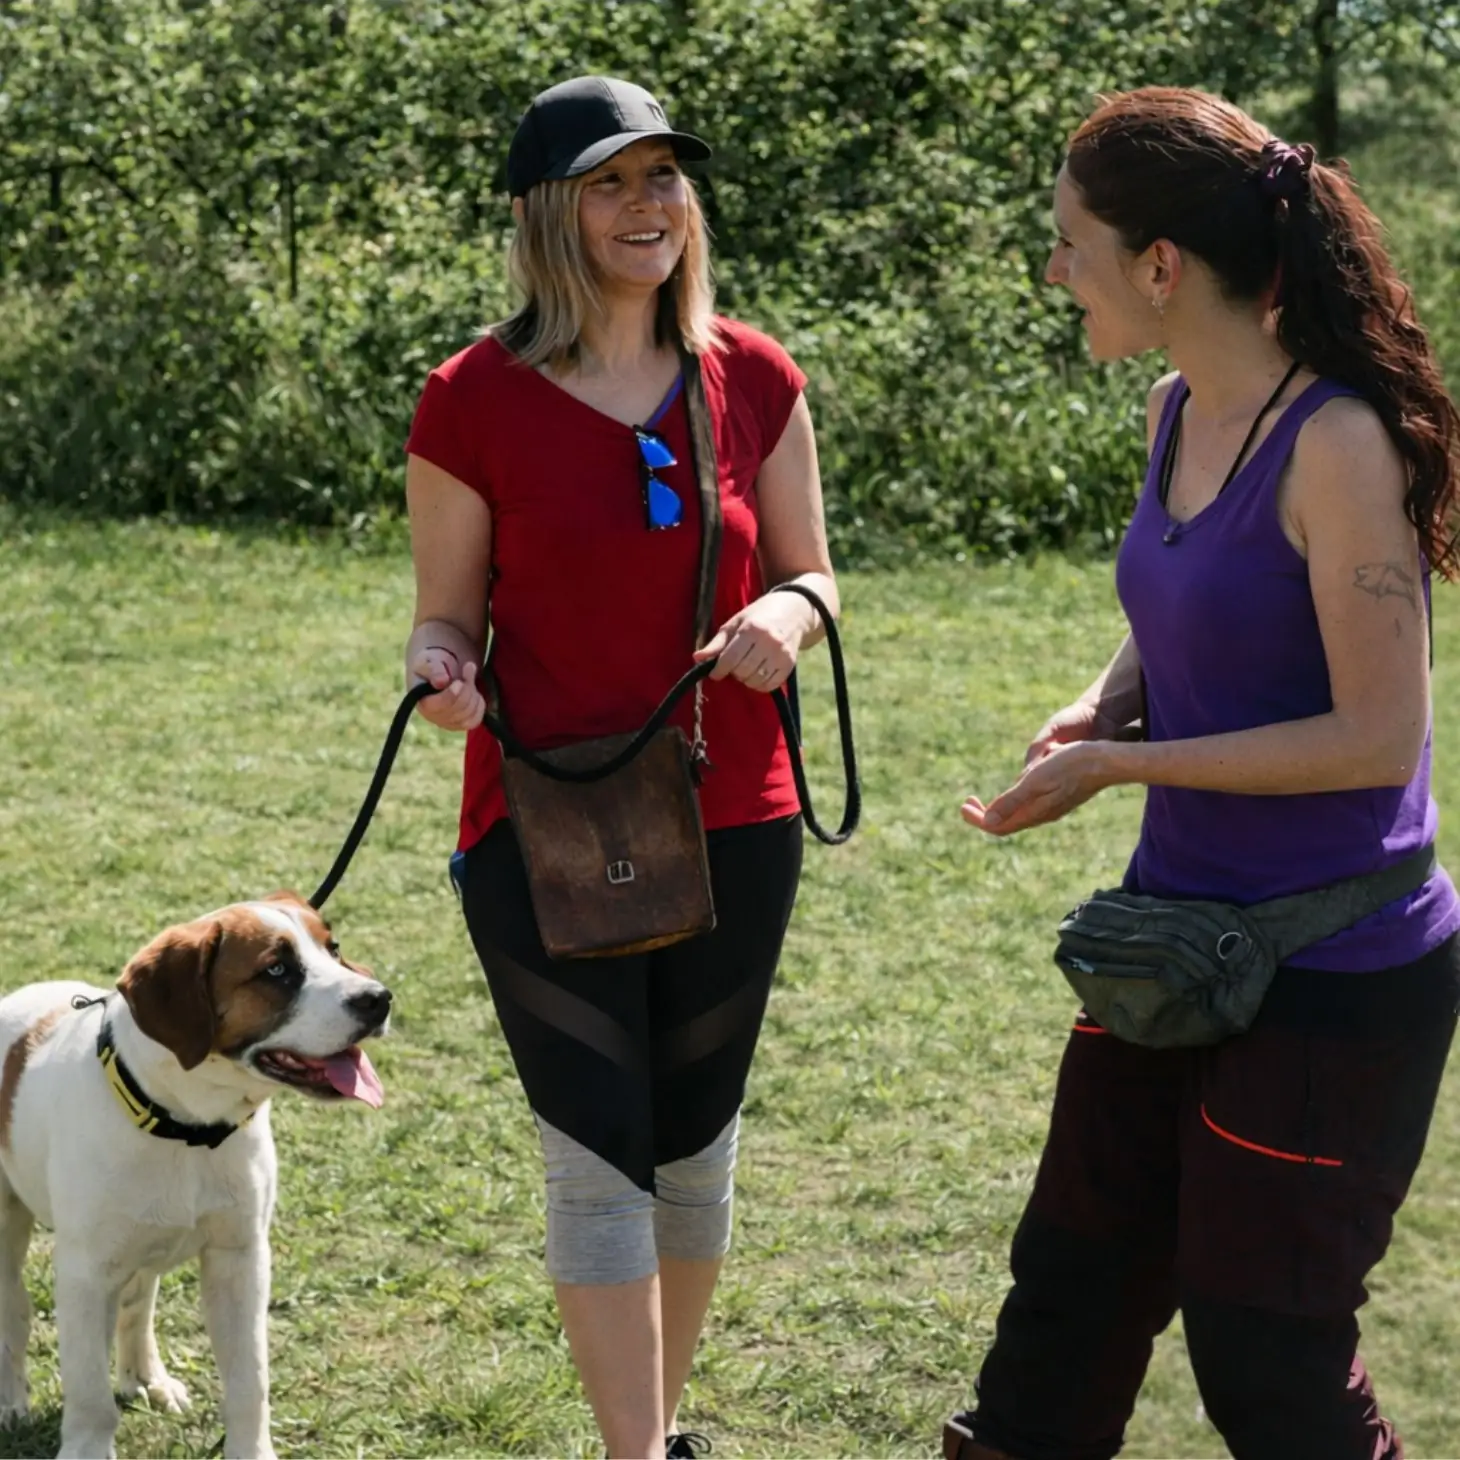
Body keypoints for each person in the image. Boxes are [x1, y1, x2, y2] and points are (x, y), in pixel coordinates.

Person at [944, 87, 1460, 1460]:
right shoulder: (1182, 409)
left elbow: (1377, 736)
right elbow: (1189, 604)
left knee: (1267, 1357)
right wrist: (1100, 703)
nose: (1053, 269)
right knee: (1065, 1298)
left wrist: (1124, 764)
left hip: (1337, 979)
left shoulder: (1339, 443)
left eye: (1070, 242)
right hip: (1176, 943)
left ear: (1160, 265)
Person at [400, 76, 837, 1460]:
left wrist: (790, 611)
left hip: (734, 815)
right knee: (598, 1158)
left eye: (663, 179)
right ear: (548, 211)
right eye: (609, 182)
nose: (647, 206)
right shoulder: (469, 400)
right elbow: (441, 616)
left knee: (695, 1151)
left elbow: (819, 569)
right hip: (537, 827)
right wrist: (439, 674)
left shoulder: (755, 377)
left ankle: (644, 1432)